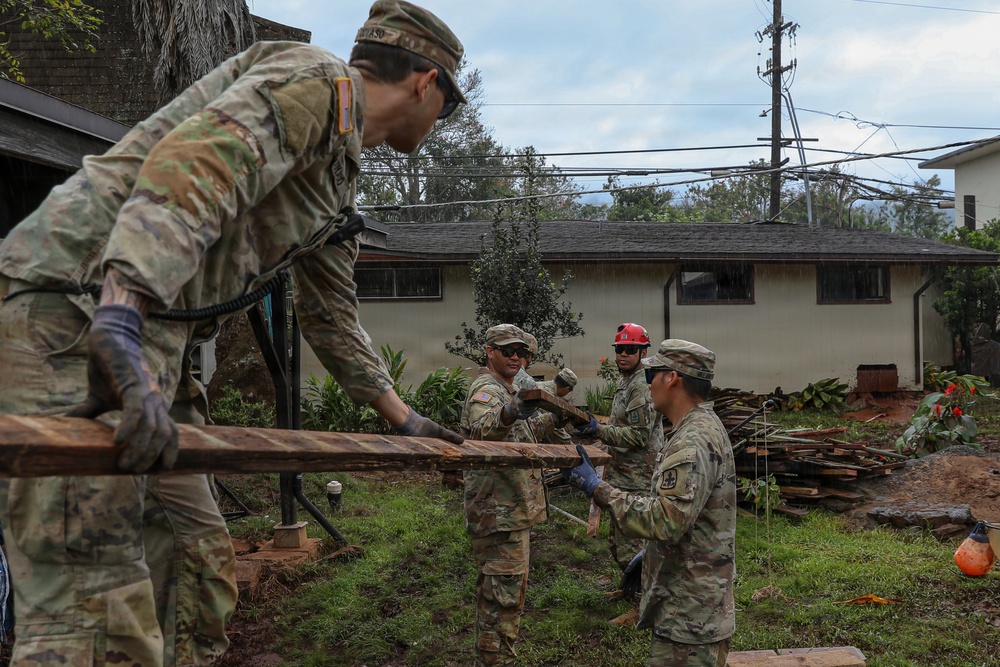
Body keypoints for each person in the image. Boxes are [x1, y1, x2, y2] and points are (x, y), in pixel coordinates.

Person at [0, 1, 466, 665]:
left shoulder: (339, 185)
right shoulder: (316, 82)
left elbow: (331, 316)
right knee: (96, 606)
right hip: (75, 312)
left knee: (196, 562)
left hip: (149, 343)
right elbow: (195, 166)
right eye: (446, 107)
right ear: (425, 82)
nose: (440, 124)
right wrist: (122, 314)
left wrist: (405, 417)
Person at [563, 339, 736, 667]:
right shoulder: (698, 428)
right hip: (693, 602)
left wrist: (597, 488)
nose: (647, 382)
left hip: (689, 613)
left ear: (672, 378)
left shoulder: (692, 441)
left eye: (650, 375)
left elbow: (668, 519)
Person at [459, 324, 548, 666]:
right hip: (498, 514)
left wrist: (550, 416)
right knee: (501, 601)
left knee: (504, 596)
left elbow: (522, 434)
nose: (515, 356)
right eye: (507, 349)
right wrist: (511, 410)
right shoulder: (486, 388)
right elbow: (484, 429)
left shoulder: (507, 387)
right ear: (489, 352)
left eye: (521, 352)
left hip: (510, 511)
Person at [577, 324, 664, 578]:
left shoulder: (640, 385)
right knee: (617, 541)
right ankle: (630, 592)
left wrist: (599, 431)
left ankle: (641, 603)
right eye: (619, 349)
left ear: (642, 351)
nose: (623, 354)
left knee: (633, 545)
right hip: (623, 471)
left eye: (630, 349)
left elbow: (639, 436)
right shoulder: (627, 379)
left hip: (638, 476)